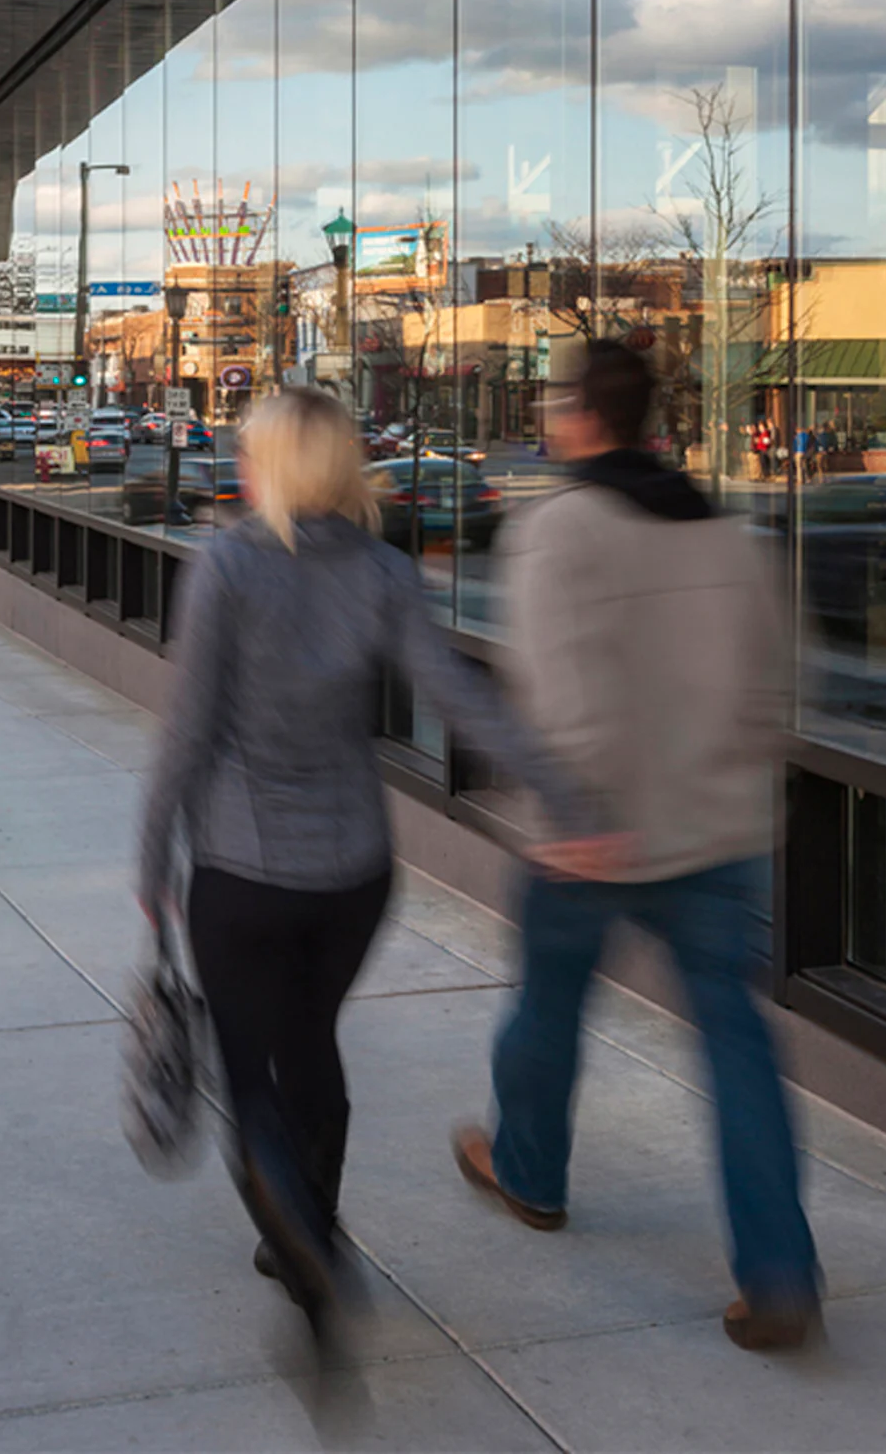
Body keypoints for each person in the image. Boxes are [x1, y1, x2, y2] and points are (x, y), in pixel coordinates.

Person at [136, 387, 599, 1346]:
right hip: (352, 873)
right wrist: (564, 796)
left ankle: (301, 1238)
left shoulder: (227, 566)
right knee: (310, 1038)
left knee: (249, 1073)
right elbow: (460, 698)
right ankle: (313, 1218)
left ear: (276, 466)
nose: (241, 466)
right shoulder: (385, 571)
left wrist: (151, 864)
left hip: (241, 868)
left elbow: (186, 735)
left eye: (251, 451)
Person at [454, 342, 819, 1353]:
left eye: (553, 402)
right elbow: (774, 685)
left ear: (581, 413)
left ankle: (529, 1174)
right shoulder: (729, 533)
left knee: (546, 1008)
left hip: (594, 835)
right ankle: (780, 1273)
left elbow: (555, 691)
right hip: (712, 832)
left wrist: (575, 818)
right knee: (736, 1042)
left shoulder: (558, 529)